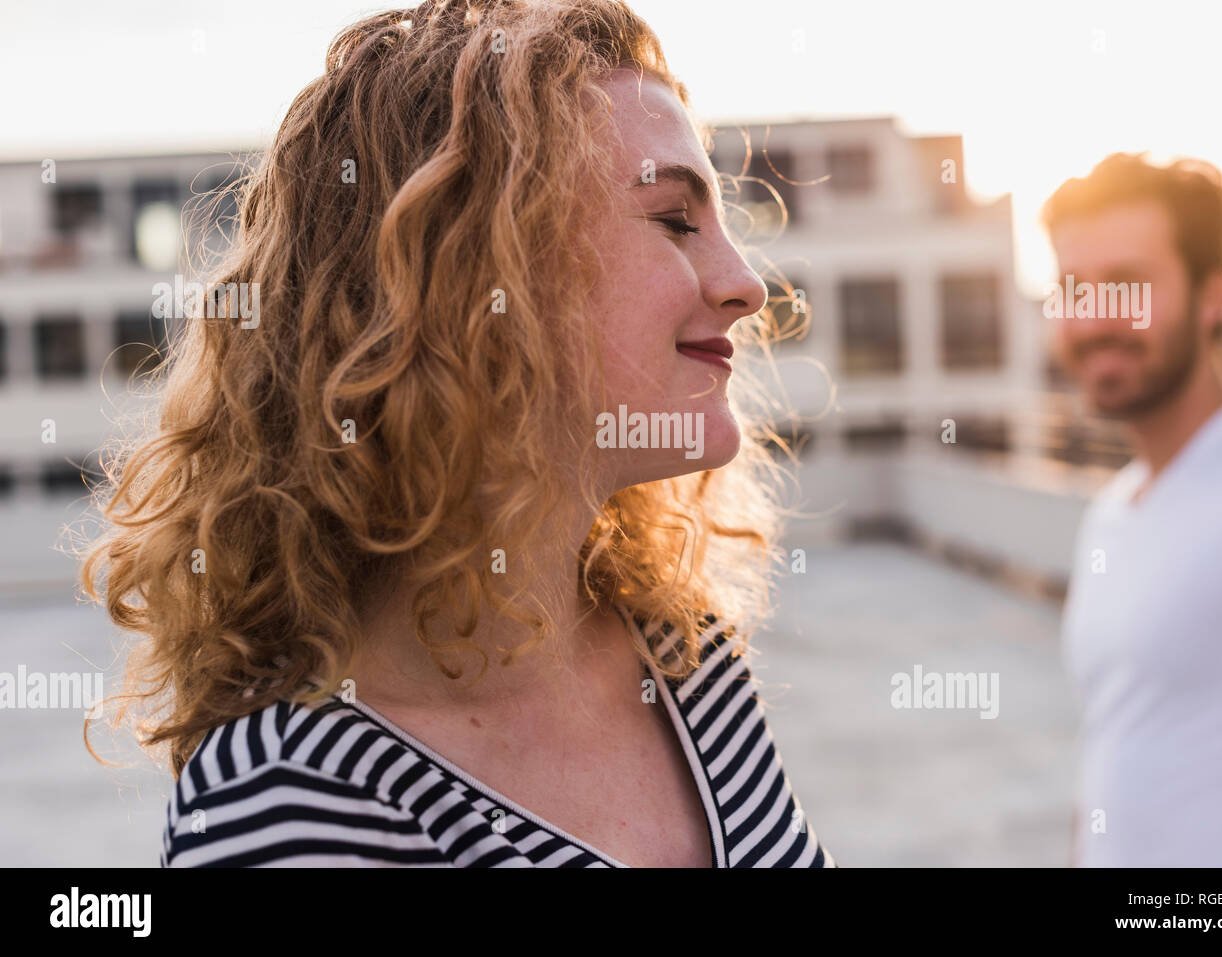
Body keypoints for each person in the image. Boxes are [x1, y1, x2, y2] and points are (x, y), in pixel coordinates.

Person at [76, 0, 833, 868]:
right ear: (471, 277)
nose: (747, 284)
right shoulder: (288, 807)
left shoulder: (683, 650)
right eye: (672, 220)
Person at [1043, 152, 1222, 866]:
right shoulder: (1114, 510)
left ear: (1214, 296)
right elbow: (1111, 758)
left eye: (1126, 285)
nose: (1095, 319)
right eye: (1073, 289)